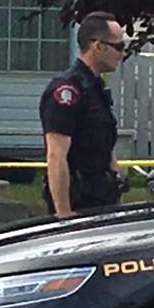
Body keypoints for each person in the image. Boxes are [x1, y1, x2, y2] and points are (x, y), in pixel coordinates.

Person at [39, 11, 128, 217]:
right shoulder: (67, 91)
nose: (122, 54)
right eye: (119, 47)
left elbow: (105, 146)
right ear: (98, 46)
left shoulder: (95, 88)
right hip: (78, 201)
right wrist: (64, 214)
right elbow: (56, 156)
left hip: (102, 199)